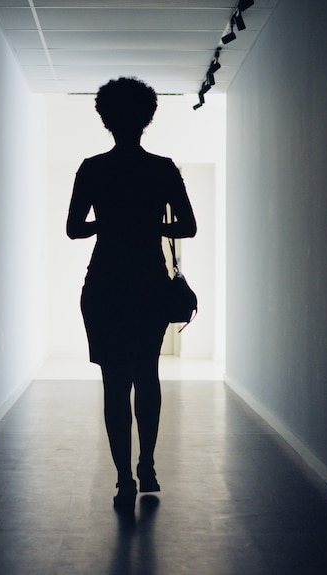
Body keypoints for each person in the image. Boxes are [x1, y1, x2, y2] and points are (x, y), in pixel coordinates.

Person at [66, 77, 197, 511]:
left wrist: (108, 224)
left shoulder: (92, 167)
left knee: (114, 383)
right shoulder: (161, 169)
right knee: (147, 375)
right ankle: (147, 465)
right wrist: (151, 226)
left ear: (106, 118)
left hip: (104, 284)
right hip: (149, 285)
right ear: (147, 118)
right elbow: (188, 227)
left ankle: (123, 476)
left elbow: (73, 229)